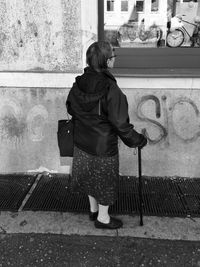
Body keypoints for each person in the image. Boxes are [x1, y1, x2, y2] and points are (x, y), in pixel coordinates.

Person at [66, 41, 147, 230]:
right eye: (113, 56)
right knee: (104, 182)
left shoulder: (79, 83)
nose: (114, 59)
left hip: (81, 142)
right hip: (103, 146)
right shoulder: (112, 89)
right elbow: (120, 124)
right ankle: (103, 218)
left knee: (89, 177)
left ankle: (93, 210)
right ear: (107, 61)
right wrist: (138, 140)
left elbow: (70, 107)